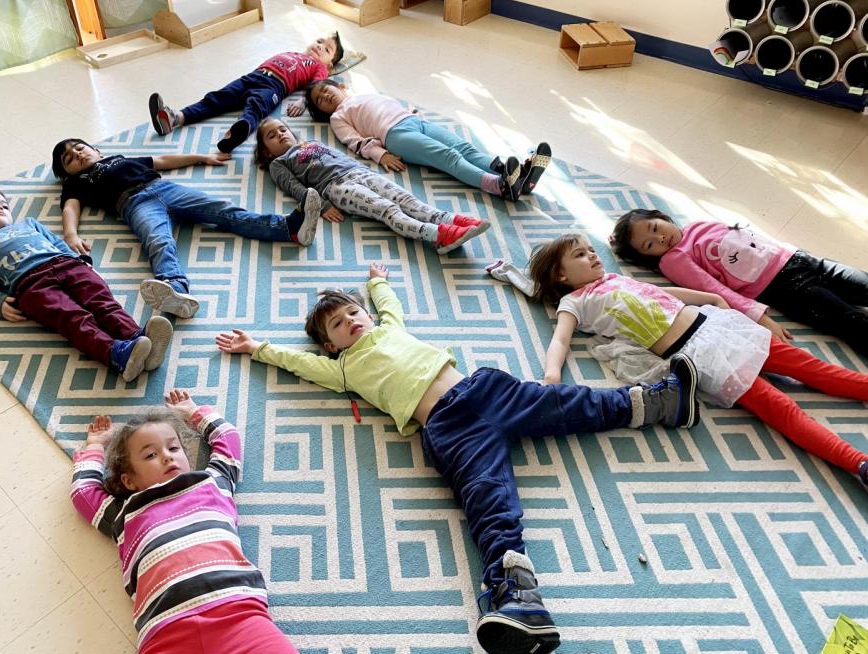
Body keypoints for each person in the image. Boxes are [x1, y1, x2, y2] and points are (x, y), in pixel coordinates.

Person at [215, 262, 702, 654]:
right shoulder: (342, 369)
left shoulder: (389, 328)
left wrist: (379, 285)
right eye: (339, 326)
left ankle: (657, 403)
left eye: (353, 314)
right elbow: (299, 363)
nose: (351, 322)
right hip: (448, 428)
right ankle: (516, 596)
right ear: (331, 345)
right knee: (488, 500)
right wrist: (257, 347)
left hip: (483, 390)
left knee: (568, 404)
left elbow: (389, 309)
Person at [523, 233, 868, 489]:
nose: (593, 256)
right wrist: (552, 376)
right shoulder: (576, 303)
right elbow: (561, 338)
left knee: (816, 370)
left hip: (719, 326)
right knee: (783, 410)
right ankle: (858, 463)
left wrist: (712, 297)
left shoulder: (615, 278)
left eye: (591, 250)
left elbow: (662, 293)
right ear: (562, 276)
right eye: (580, 255)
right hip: (698, 356)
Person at [71, 389, 299, 653]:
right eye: (150, 455)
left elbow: (227, 439)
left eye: (173, 447)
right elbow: (84, 493)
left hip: (238, 615)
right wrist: (96, 445)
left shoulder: (212, 483)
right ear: (129, 480)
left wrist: (193, 412)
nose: (167, 456)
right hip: (165, 631)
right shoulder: (125, 513)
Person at [51, 137, 321, 317]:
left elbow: (163, 161)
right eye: (69, 158)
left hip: (165, 188)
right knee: (157, 241)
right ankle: (175, 289)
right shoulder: (77, 182)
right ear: (68, 173)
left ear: (97, 150)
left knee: (223, 210)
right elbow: (71, 207)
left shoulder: (119, 158)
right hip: (135, 204)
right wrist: (70, 234)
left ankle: (289, 228)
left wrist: (201, 157)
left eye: (79, 147)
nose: (76, 153)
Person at [0, 187, 172, 381]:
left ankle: (138, 338)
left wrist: (83, 262)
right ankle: (117, 354)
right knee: (72, 318)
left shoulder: (29, 223)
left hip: (69, 265)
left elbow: (57, 243)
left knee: (103, 302)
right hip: (30, 284)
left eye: (4, 205)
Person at [609, 208, 868, 356]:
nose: (660, 239)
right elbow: (713, 289)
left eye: (655, 228)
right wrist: (759, 316)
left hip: (801, 259)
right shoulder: (673, 259)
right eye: (649, 245)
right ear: (647, 257)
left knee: (861, 283)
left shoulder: (697, 225)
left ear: (662, 218)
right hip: (788, 287)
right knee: (848, 319)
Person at [255, 119, 489, 254]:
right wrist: (323, 205)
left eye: (282, 129)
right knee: (386, 209)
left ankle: (448, 219)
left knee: (407, 199)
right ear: (266, 150)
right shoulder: (279, 162)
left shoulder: (311, 141)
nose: (280, 134)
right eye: (272, 136)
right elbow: (294, 187)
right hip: (336, 186)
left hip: (360, 173)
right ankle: (437, 235)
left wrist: (366, 170)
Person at [300, 79, 552, 201]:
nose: (325, 96)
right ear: (323, 111)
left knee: (462, 146)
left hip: (416, 121)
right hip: (396, 136)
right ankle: (498, 185)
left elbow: (393, 105)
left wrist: (417, 117)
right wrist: (379, 154)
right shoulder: (338, 117)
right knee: (448, 157)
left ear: (340, 85)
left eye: (326, 90)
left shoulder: (365, 92)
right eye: (320, 100)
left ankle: (519, 175)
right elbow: (354, 141)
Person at [148, 33, 344, 153]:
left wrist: (303, 102)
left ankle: (238, 132)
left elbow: (316, 86)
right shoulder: (294, 53)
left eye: (326, 49)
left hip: (275, 86)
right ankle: (176, 118)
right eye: (319, 41)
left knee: (256, 107)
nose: (319, 46)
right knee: (217, 97)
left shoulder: (319, 67)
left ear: (330, 63)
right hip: (252, 77)